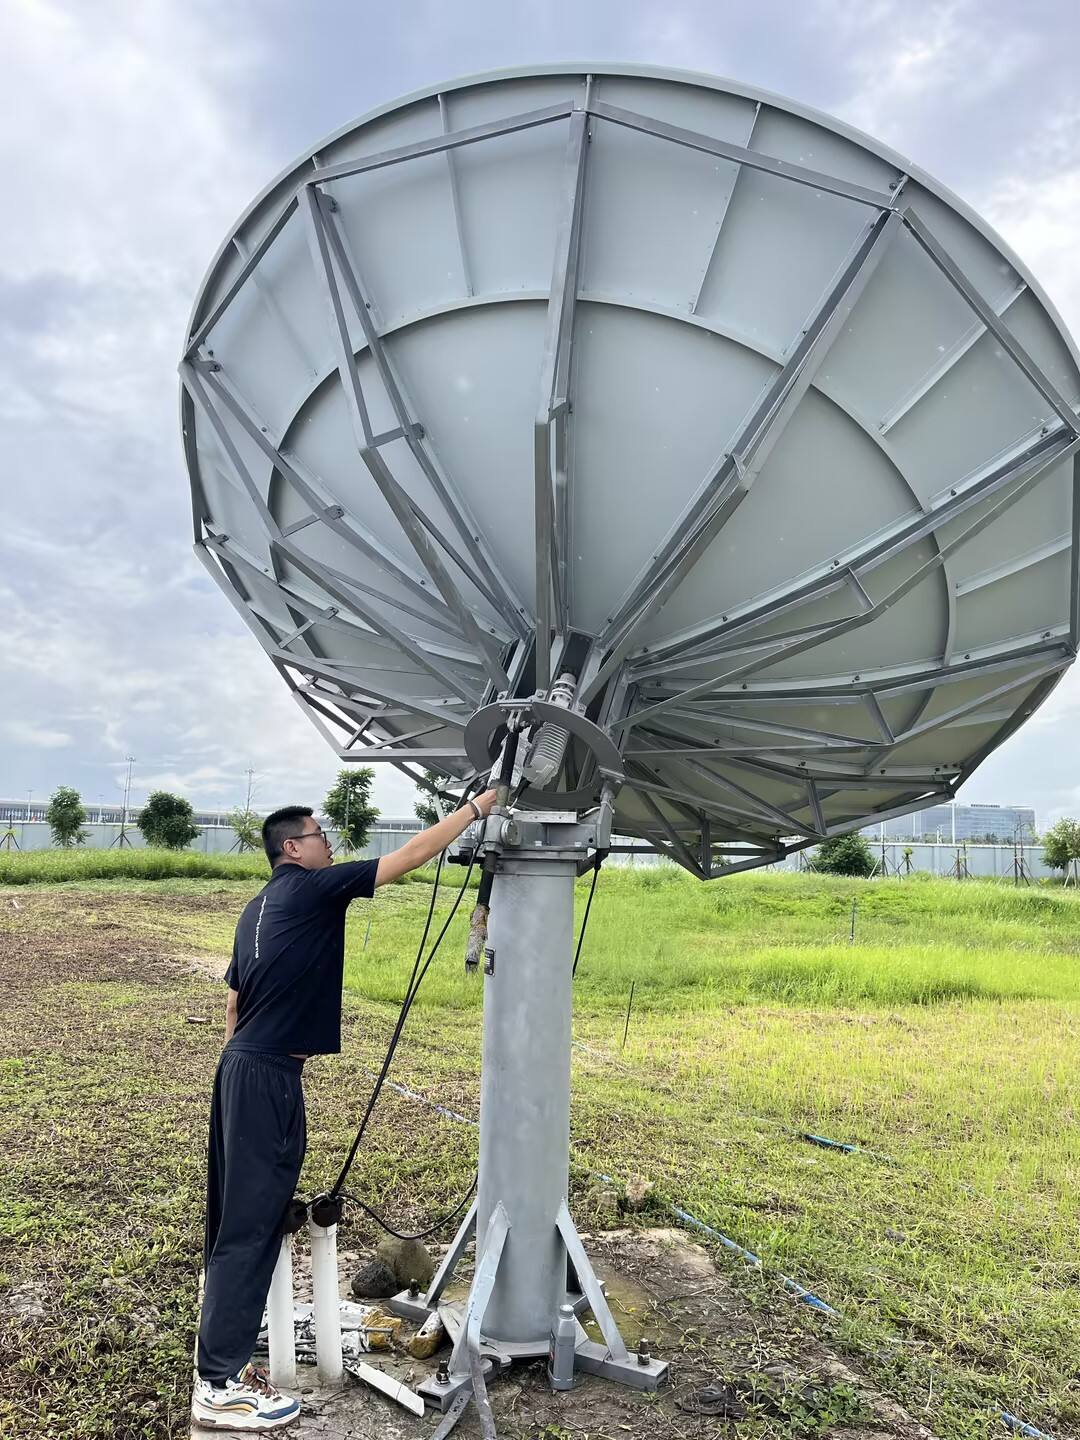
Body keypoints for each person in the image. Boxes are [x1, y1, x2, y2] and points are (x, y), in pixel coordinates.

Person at [191, 791, 496, 1431]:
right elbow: (407, 856)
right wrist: (475, 810)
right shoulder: (310, 889)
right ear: (293, 848)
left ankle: (225, 1364)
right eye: (321, 835)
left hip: (247, 1070)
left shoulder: (255, 910)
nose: (331, 844)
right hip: (264, 1073)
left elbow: (233, 1007)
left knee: (248, 1220)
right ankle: (217, 1386)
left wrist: (243, 1079)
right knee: (248, 1229)